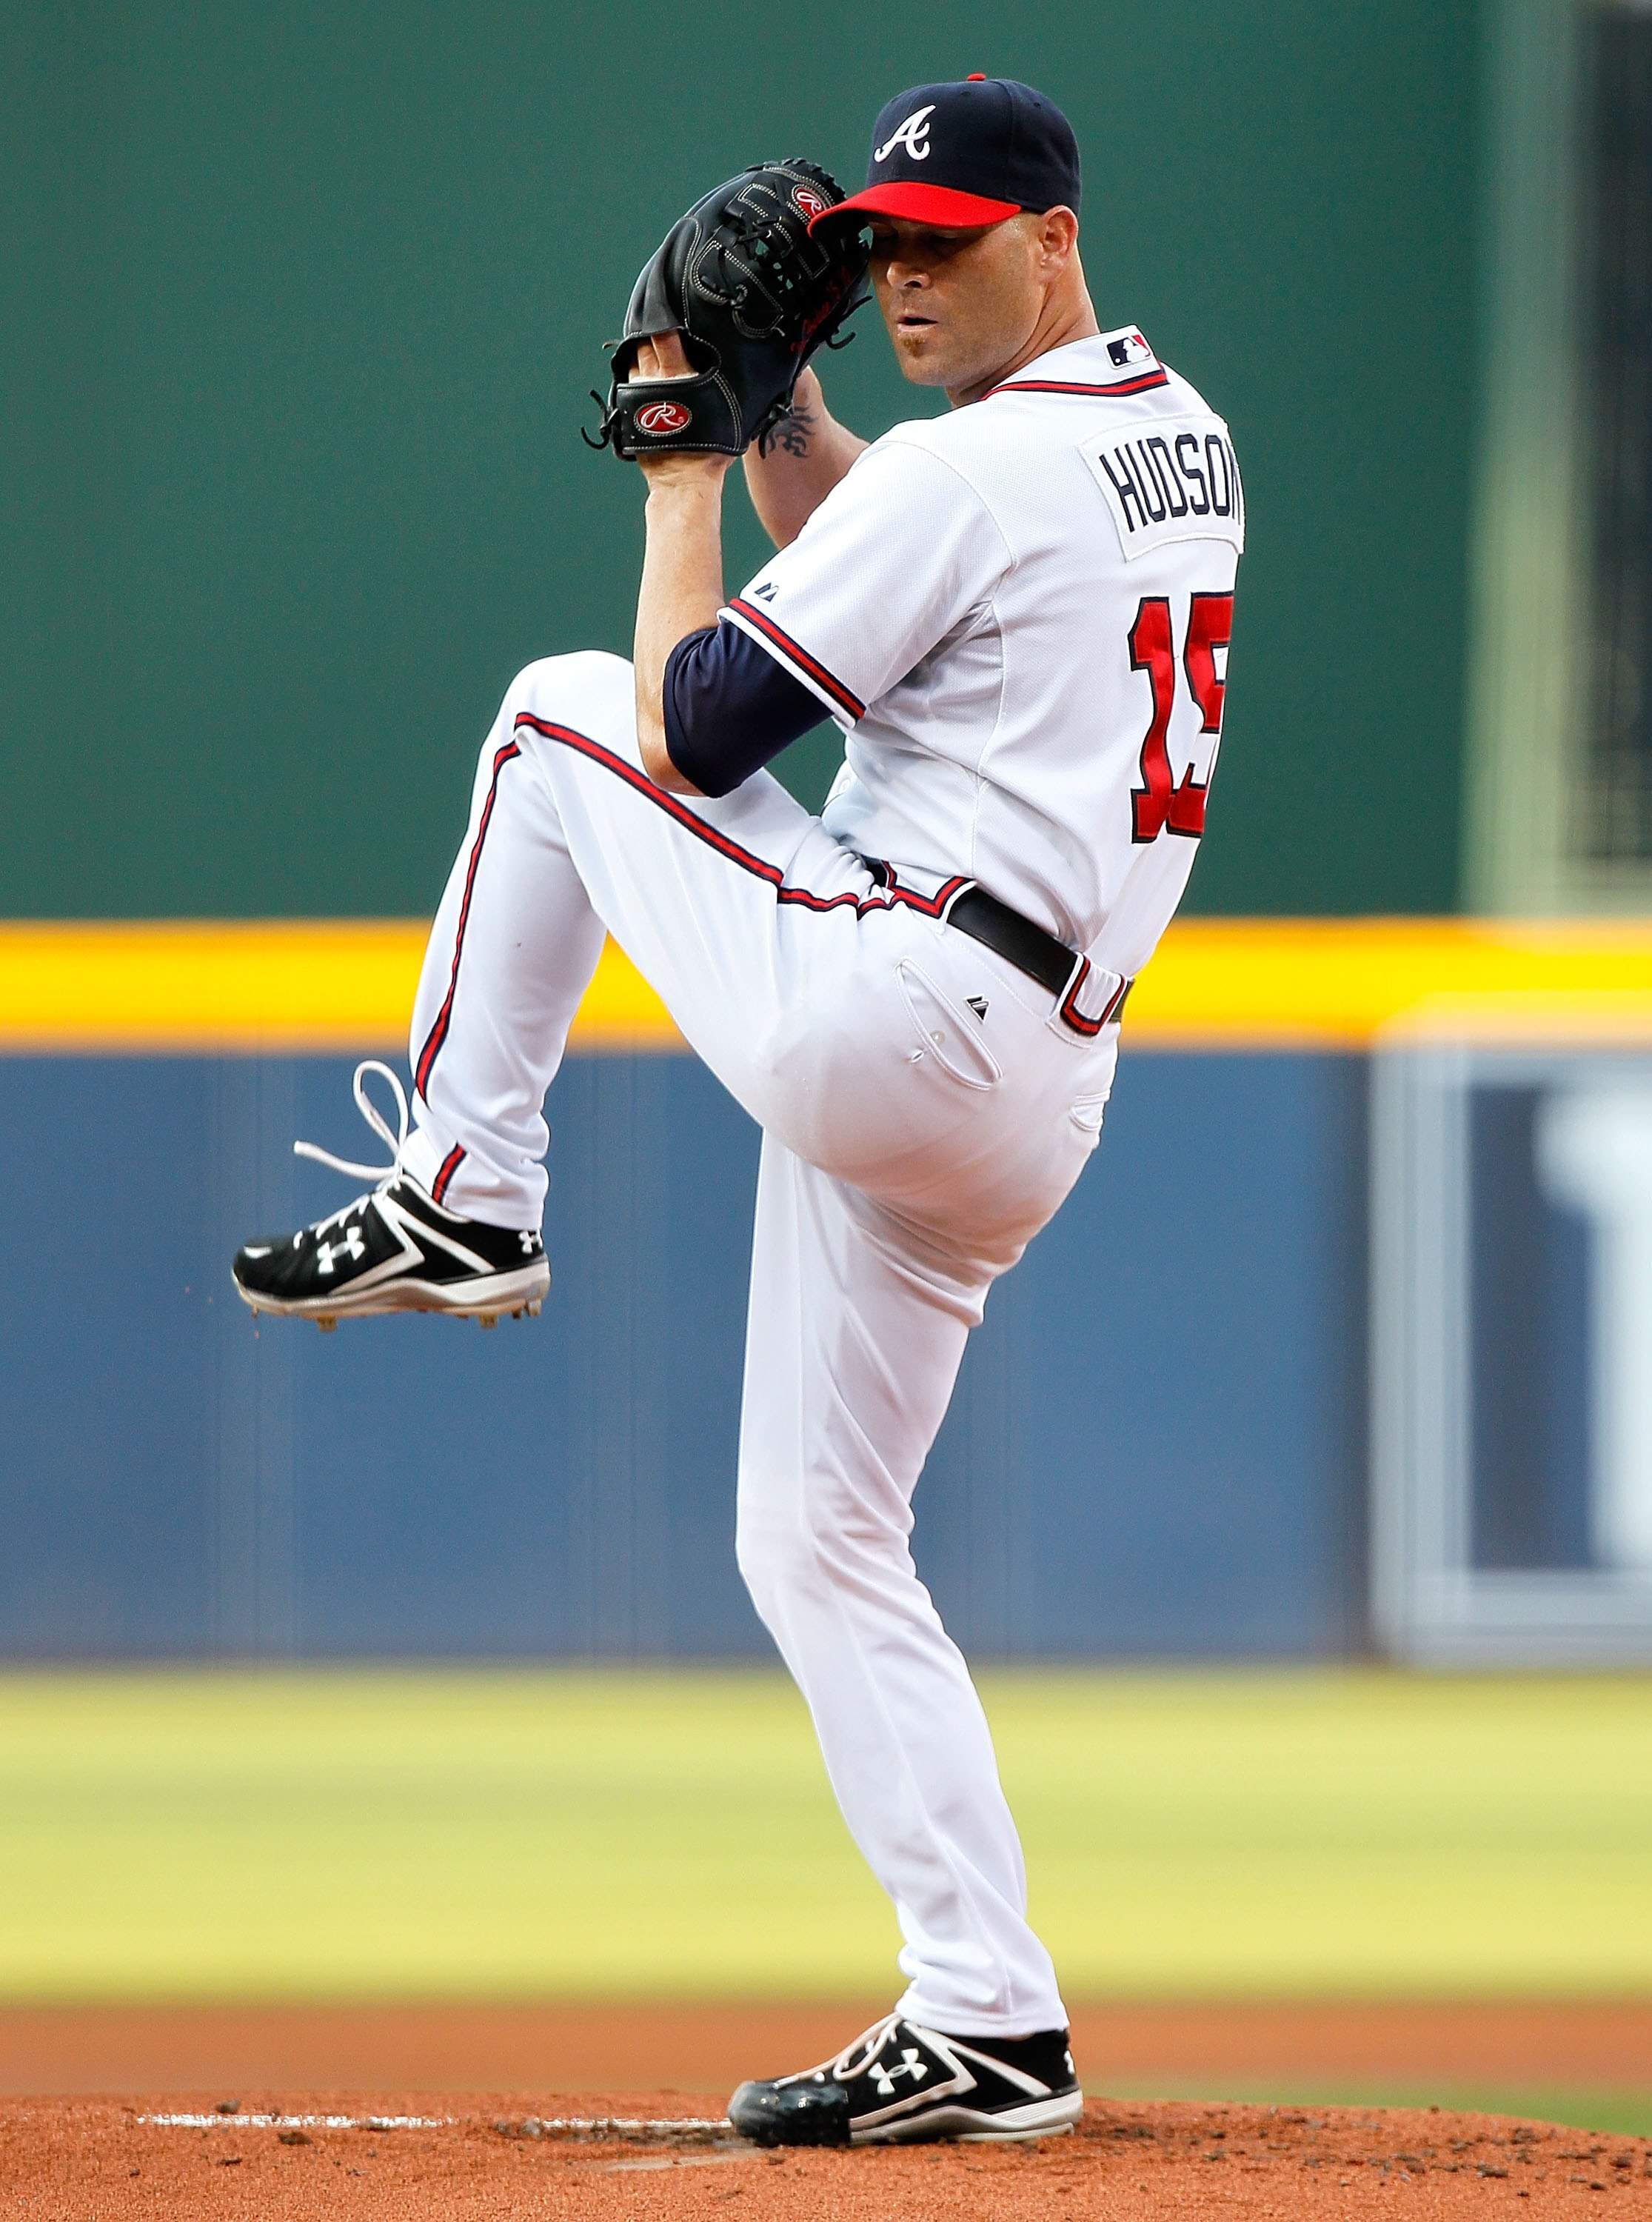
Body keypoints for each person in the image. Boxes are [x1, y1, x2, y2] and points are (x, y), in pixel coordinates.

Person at [233, 74, 1243, 2146]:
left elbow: (701, 736)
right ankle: (990, 2018)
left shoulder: (981, 470)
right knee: (814, 1536)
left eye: (945, 240)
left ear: (1053, 234)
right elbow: (889, 571)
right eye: (879, 244)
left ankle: (466, 1185)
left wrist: (686, 461)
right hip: (1029, 1078)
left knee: (563, 717)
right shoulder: (1173, 435)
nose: (900, 276)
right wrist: (785, 419)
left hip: (905, 1001)